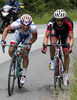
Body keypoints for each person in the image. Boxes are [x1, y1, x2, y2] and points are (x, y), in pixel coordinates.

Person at [1, 14, 38, 84]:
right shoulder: (16, 24)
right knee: (11, 49)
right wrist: (3, 40)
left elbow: (35, 37)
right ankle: (14, 61)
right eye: (23, 26)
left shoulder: (33, 28)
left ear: (29, 25)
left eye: (27, 27)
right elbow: (6, 30)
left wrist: (29, 43)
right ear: (21, 24)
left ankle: (23, 75)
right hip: (19, 34)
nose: (25, 28)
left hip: (28, 36)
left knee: (25, 53)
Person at [41, 9, 74, 86]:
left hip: (65, 34)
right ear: (55, 19)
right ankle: (52, 60)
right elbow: (46, 36)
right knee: (52, 43)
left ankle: (66, 74)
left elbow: (71, 38)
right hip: (55, 32)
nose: (59, 22)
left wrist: (70, 47)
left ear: (64, 19)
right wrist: (44, 46)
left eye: (61, 20)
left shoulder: (69, 22)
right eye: (57, 20)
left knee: (66, 53)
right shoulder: (51, 22)